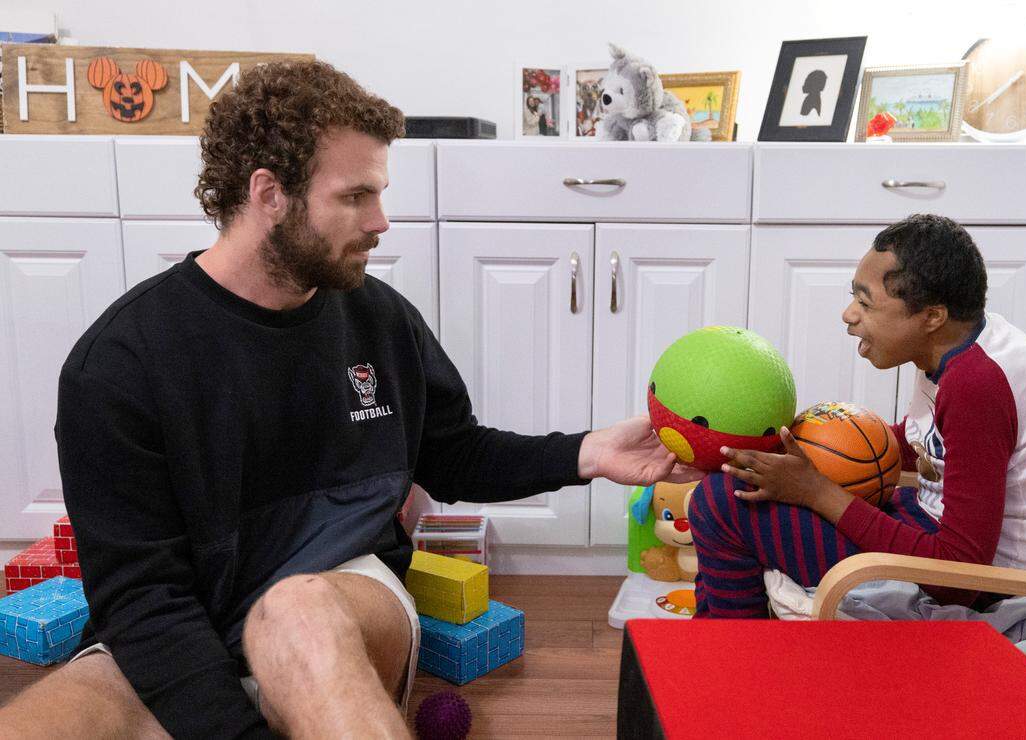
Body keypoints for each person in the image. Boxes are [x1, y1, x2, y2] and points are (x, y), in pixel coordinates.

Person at [0, 60, 698, 739]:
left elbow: (453, 455)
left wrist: (590, 452)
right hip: (184, 619)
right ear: (269, 193)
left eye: (380, 193)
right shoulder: (120, 365)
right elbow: (143, 600)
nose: (381, 221)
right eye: (356, 196)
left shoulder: (379, 319)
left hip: (343, 588)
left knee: (296, 611)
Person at [689, 213, 1026, 618]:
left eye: (865, 303)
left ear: (932, 317)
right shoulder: (957, 346)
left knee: (721, 504)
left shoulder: (978, 384)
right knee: (736, 479)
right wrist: (793, 447)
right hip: (931, 531)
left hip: (982, 586)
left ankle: (735, 656)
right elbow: (926, 445)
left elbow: (959, 573)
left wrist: (815, 490)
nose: (849, 314)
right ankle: (710, 643)